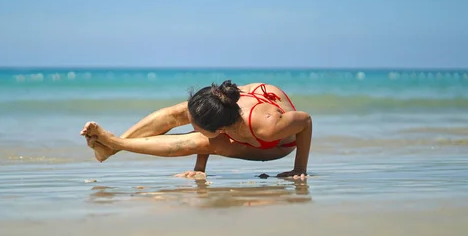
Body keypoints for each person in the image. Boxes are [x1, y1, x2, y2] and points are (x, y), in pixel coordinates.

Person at [80, 80, 312, 180]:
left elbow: (306, 121)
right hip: (233, 117)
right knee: (184, 111)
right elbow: (211, 122)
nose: (190, 126)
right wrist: (199, 168)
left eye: (197, 126)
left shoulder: (268, 127)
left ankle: (115, 143)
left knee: (202, 142)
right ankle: (110, 149)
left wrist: (299, 168)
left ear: (221, 129)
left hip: (277, 145)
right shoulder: (222, 99)